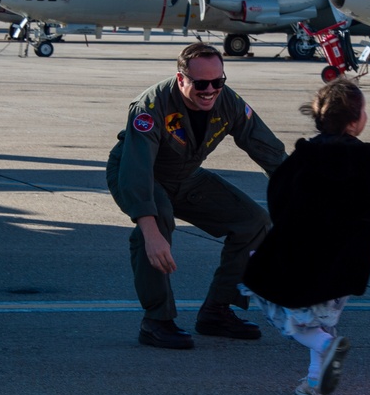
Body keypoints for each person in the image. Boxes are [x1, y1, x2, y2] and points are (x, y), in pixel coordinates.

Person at [105, 43, 287, 350]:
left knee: (253, 222)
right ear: (181, 79)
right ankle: (156, 321)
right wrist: (150, 233)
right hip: (138, 174)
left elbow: (268, 150)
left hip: (184, 176)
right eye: (201, 84)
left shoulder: (227, 101)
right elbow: (137, 173)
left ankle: (216, 311)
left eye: (218, 82)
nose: (210, 90)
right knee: (158, 220)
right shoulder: (150, 108)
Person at [241, 79, 370, 395]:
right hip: (349, 259)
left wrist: (284, 225)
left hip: (304, 253)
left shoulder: (304, 157)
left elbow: (278, 193)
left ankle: (323, 346)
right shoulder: (366, 160)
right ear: (355, 120)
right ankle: (316, 382)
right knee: (324, 315)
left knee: (283, 306)